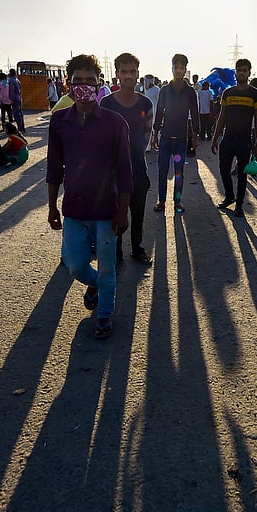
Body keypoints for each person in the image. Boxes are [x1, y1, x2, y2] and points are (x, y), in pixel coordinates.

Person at [46, 53, 132, 340]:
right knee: (75, 264)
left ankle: (105, 314)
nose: (84, 86)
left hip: (107, 209)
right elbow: (54, 167)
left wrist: (123, 210)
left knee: (108, 267)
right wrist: (51, 207)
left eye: (90, 81)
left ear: (99, 84)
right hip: (74, 208)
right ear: (68, 85)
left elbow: (125, 170)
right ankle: (94, 284)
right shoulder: (59, 121)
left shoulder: (115, 122)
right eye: (77, 81)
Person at [100, 52, 154, 265]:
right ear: (117, 74)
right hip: (112, 170)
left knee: (138, 211)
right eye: (124, 71)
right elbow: (101, 138)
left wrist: (136, 154)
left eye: (132, 71)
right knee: (115, 210)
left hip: (138, 167)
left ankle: (137, 248)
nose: (128, 75)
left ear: (138, 74)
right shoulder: (105, 104)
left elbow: (147, 135)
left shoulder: (146, 104)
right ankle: (117, 251)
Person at [211, 58, 257, 218]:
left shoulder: (255, 94)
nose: (241, 72)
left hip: (245, 140)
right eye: (239, 69)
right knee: (223, 169)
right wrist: (215, 138)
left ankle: (239, 205)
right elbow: (222, 117)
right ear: (235, 72)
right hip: (228, 139)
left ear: (249, 72)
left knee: (242, 173)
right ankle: (229, 196)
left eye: (244, 70)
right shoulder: (228, 93)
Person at [152, 53, 199, 214]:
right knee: (162, 171)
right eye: (175, 67)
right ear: (171, 68)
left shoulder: (190, 92)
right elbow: (159, 112)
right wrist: (155, 133)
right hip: (165, 139)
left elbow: (195, 113)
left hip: (181, 140)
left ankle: (177, 202)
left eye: (181, 68)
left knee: (179, 173)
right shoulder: (165, 90)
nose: (178, 70)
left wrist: (195, 135)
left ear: (185, 70)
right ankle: (162, 201)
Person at [143, 75, 160, 152]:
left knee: (156, 129)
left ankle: (156, 144)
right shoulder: (145, 89)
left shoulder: (157, 89)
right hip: (147, 112)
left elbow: (160, 102)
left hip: (156, 111)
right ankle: (148, 146)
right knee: (148, 129)